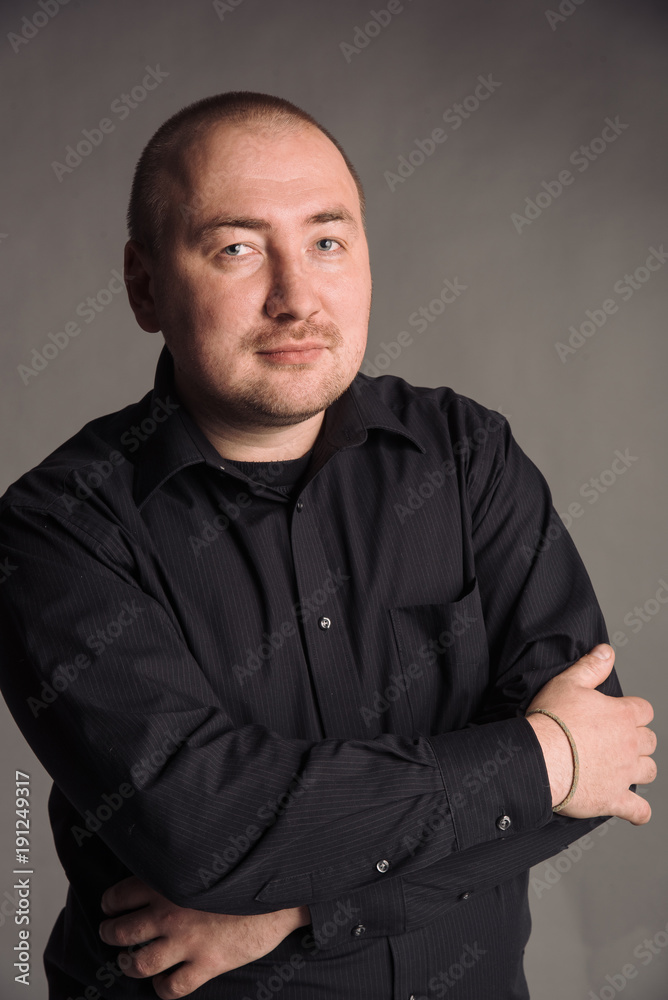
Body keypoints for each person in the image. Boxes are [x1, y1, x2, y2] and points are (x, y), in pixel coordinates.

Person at [0, 91, 656, 1000]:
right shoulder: (55, 528)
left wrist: (292, 907)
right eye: (237, 248)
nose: (296, 295)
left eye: (327, 241)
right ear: (145, 285)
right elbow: (205, 826)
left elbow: (605, 763)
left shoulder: (467, 455)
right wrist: (538, 760)